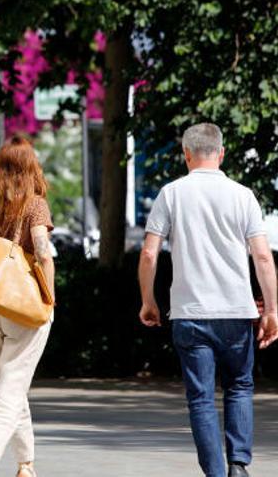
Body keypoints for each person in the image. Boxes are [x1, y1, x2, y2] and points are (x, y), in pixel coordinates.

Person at [138, 123, 278, 477]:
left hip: (190, 313)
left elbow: (149, 255)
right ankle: (239, 464)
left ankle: (215, 473)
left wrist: (148, 300)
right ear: (222, 153)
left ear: (186, 154)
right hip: (236, 310)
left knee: (200, 398)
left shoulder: (170, 194)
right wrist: (272, 309)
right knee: (240, 386)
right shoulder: (243, 195)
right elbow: (262, 258)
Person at [0, 136, 54, 477]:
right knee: (13, 385)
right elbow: (44, 253)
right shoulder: (35, 205)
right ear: (30, 168)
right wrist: (49, 298)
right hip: (24, 305)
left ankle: (26, 464)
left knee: (10, 382)